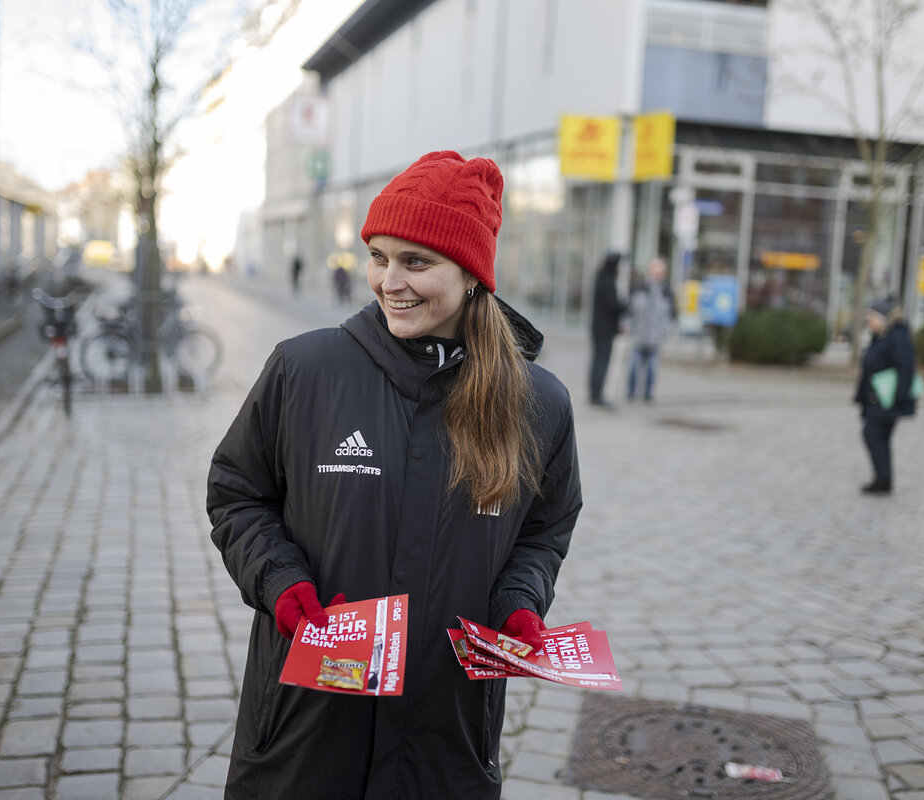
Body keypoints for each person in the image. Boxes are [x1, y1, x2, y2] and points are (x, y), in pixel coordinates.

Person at [207, 150, 582, 799]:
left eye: (416, 261)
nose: (389, 281)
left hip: (446, 738)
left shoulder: (538, 405)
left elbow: (544, 531)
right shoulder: (305, 370)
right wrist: (283, 584)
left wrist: (519, 605)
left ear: (471, 275)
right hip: (305, 732)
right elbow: (238, 494)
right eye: (379, 256)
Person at [852, 294, 917, 494]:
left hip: (887, 399)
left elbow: (906, 368)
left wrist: (897, 397)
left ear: (882, 318)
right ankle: (883, 479)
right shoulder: (882, 336)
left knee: (873, 434)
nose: (868, 321)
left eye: (871, 317)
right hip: (876, 397)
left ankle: (883, 480)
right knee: (877, 436)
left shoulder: (896, 337)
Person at [625, 257, 675, 402]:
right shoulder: (640, 287)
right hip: (639, 335)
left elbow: (670, 315)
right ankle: (630, 393)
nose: (657, 275)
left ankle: (648, 394)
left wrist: (667, 330)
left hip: (656, 337)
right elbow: (631, 310)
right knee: (634, 366)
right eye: (655, 271)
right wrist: (628, 325)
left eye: (660, 272)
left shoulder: (666, 291)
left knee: (652, 369)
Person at [588, 251, 627, 406]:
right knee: (602, 361)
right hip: (605, 330)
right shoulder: (608, 281)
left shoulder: (601, 278)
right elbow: (613, 305)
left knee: (598, 360)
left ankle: (594, 393)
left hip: (598, 328)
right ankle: (597, 395)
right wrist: (625, 306)